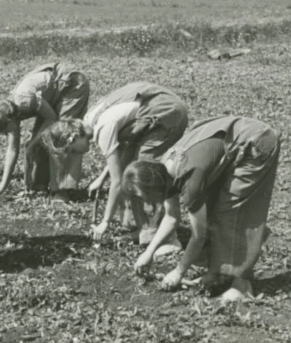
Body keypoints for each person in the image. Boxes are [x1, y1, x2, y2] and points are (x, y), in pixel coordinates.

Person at [122, 116, 281, 301]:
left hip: (256, 142)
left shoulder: (189, 181)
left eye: (144, 198)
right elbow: (172, 217)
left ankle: (242, 285)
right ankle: (217, 272)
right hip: (238, 140)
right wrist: (148, 253)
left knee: (233, 211)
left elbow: (199, 236)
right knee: (213, 207)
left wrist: (178, 272)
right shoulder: (164, 171)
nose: (147, 204)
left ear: (153, 187)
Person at [40, 81, 189, 252]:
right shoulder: (90, 119)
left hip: (168, 113)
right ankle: (145, 229)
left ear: (73, 137)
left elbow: (117, 182)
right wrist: (101, 178)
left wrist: (105, 222)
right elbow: (119, 158)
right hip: (153, 115)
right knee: (131, 170)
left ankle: (168, 239)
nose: (77, 155)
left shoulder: (103, 127)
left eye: (72, 150)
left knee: (145, 173)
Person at [0, 62, 90, 203]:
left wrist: (34, 143)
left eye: (5, 131)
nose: (7, 134)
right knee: (36, 141)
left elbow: (53, 119)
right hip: (50, 97)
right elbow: (12, 150)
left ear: (9, 121)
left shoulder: (24, 101)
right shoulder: (11, 112)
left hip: (72, 85)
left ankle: (62, 191)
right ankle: (38, 187)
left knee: (60, 136)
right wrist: (2, 185)